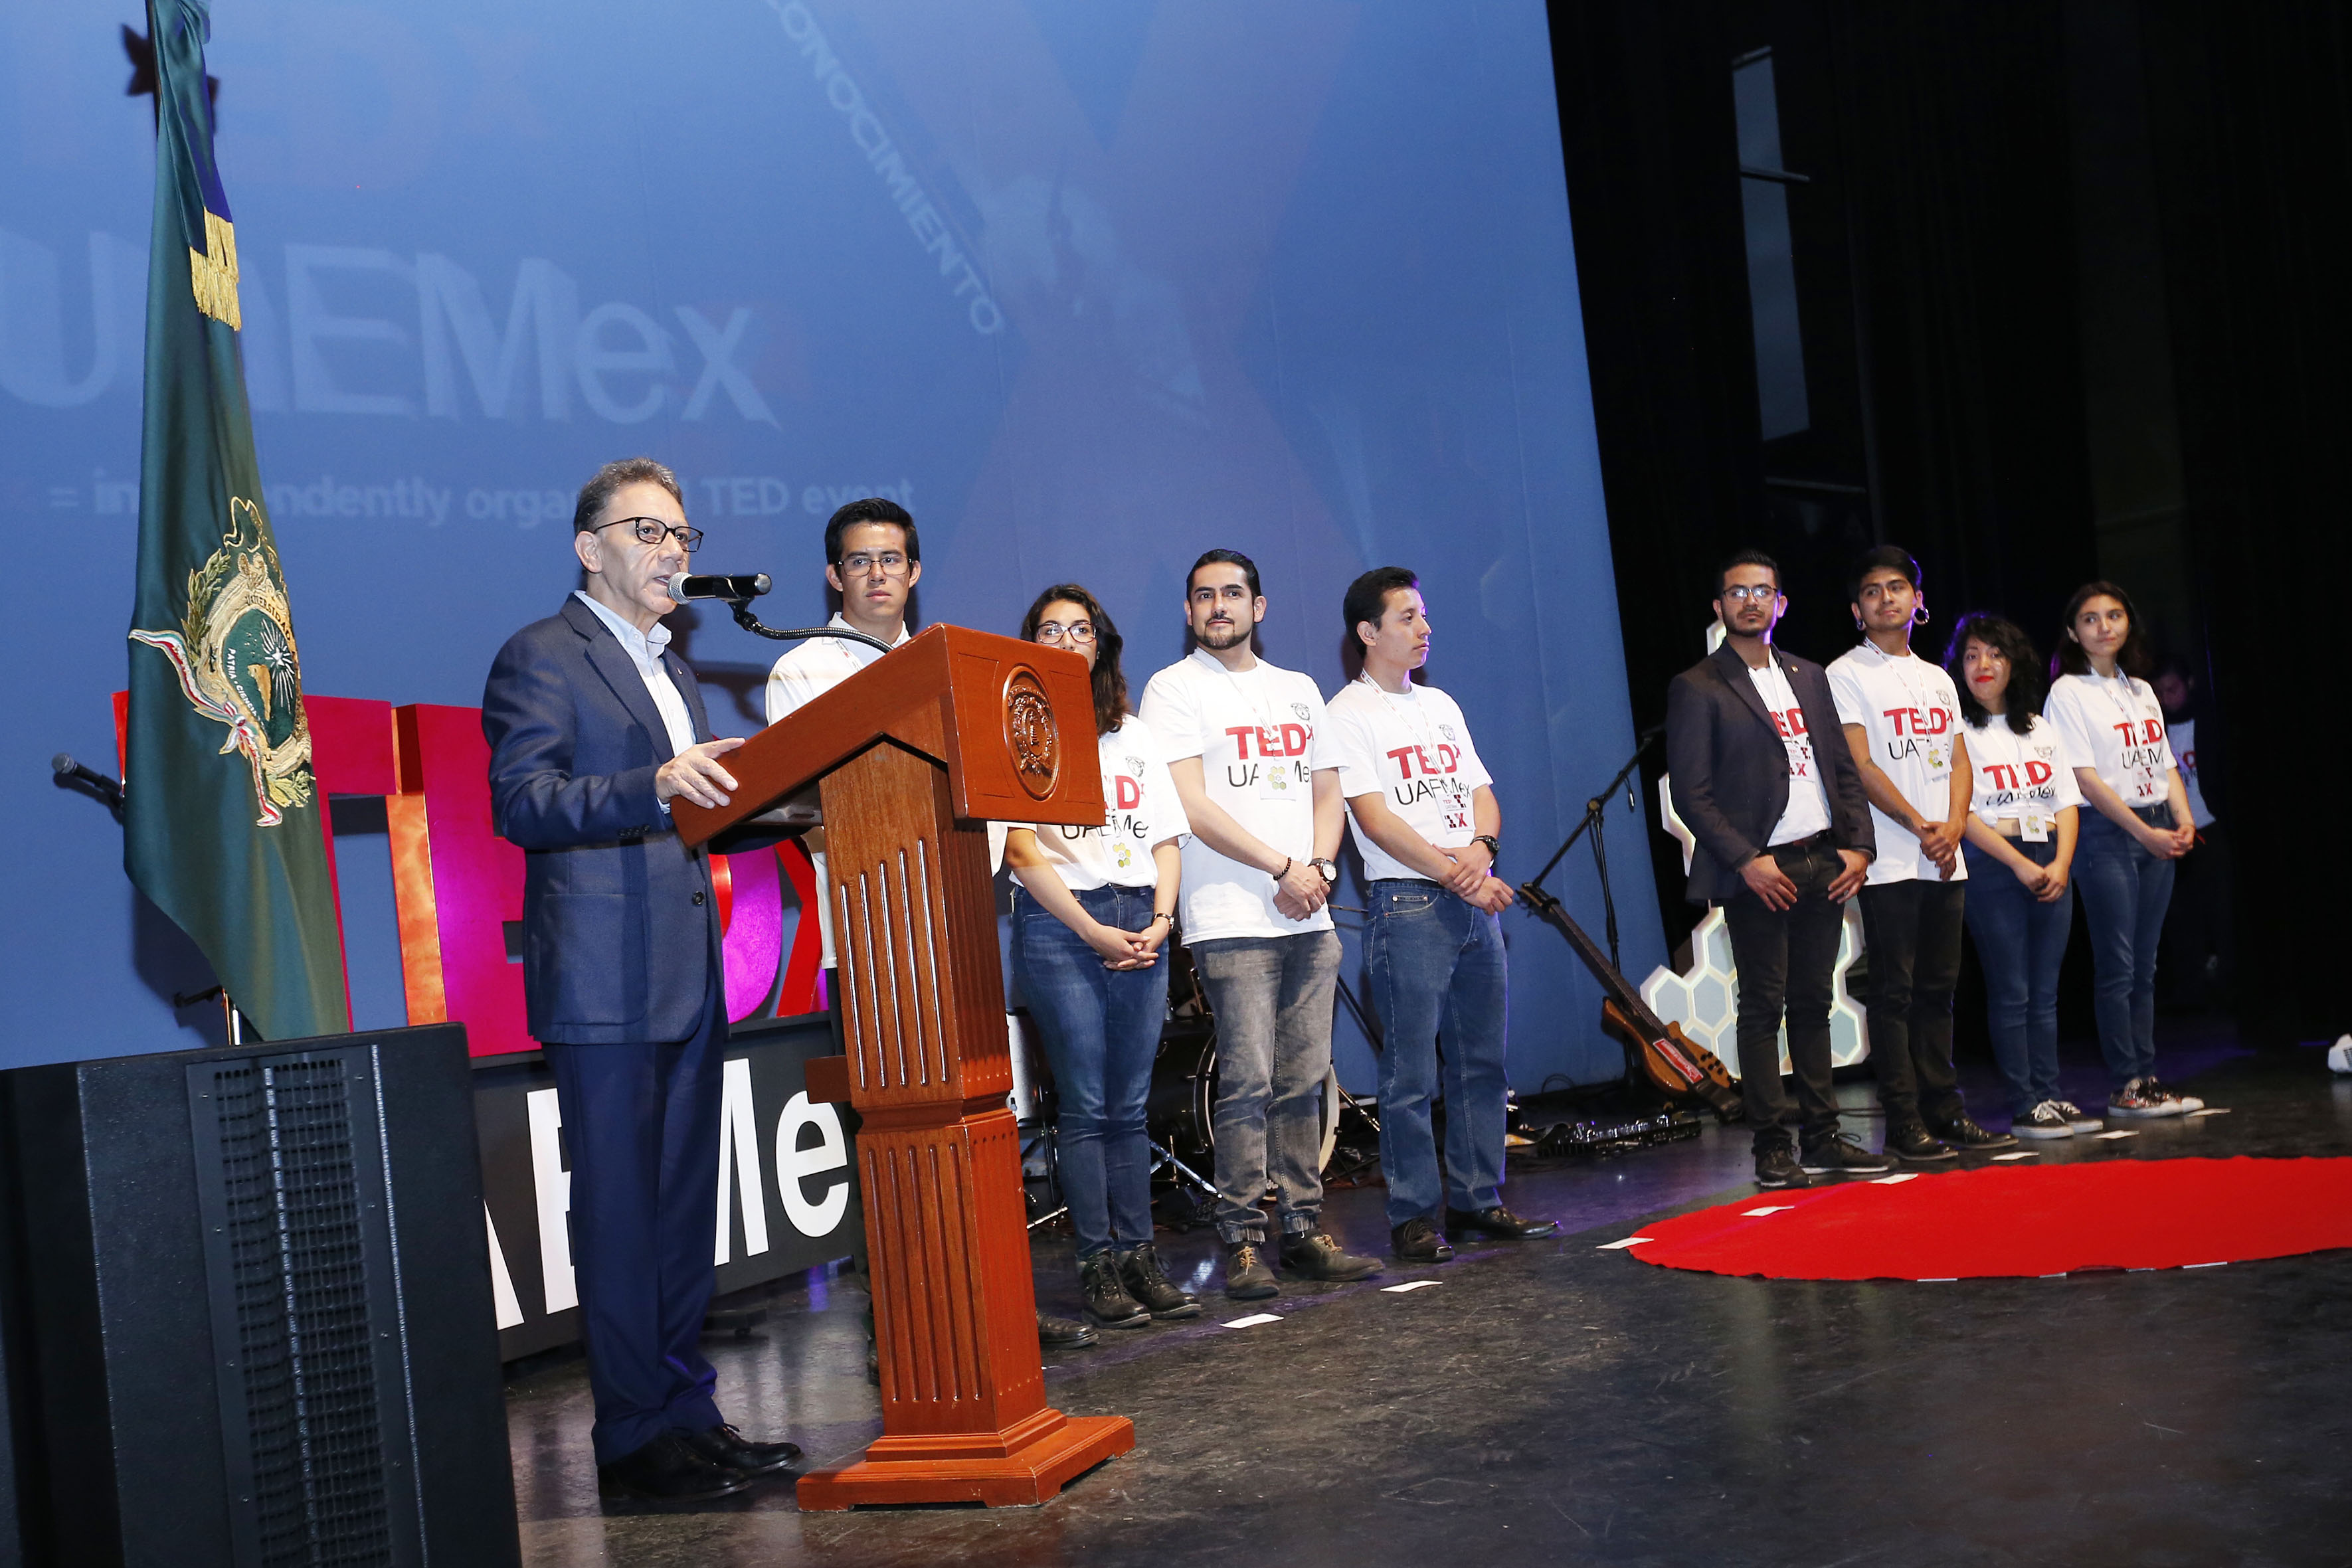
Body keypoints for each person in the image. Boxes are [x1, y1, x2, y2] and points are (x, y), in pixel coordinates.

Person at [483, 458, 800, 1502]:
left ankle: (686, 1415)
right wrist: (653, 782)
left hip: (685, 978)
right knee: (621, 1215)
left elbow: (693, 813)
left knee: (679, 1212)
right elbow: (524, 803)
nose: (672, 552)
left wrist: (787, 802)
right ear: (590, 548)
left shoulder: (676, 671)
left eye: (682, 535)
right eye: (648, 532)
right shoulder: (542, 654)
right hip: (604, 984)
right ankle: (630, 1437)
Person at [763, 499, 1095, 1351]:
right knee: (894, 1141)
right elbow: (811, 807)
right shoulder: (803, 670)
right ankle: (908, 1329)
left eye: (891, 559)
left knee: (982, 1126)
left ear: (914, 572)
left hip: (960, 929)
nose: (877, 573)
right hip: (871, 936)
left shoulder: (958, 667)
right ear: (834, 576)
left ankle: (1001, 1311)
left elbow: (994, 794)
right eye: (859, 560)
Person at [1140, 549, 1380, 1298]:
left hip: (1309, 914)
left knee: (1304, 1081)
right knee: (1246, 1082)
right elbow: (1191, 805)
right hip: (1229, 916)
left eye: (1232, 594)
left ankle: (1303, 1230)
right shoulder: (1172, 688)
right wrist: (1283, 868)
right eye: (1203, 596)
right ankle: (1242, 1241)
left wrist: (1320, 870)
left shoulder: (1298, 689)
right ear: (1189, 611)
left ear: (1258, 606)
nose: (1218, 606)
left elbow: (1327, 792)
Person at [1324, 568, 1557, 1259]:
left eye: (1423, 615)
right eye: (1407, 617)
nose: (1424, 629)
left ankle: (1479, 1200)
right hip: (1408, 903)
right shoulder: (1346, 714)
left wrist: (1481, 852)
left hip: (1471, 901)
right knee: (1409, 1076)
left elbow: (1482, 793)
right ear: (1368, 632)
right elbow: (1374, 819)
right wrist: (1459, 874)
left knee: (1481, 1064)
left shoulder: (1441, 705)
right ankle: (1413, 1215)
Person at [1000, 584, 1202, 1329]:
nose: (1065, 641)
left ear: (1100, 644)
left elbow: (1166, 840)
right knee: (1086, 1106)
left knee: (1128, 1105)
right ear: (1030, 646)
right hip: (1062, 928)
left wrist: (1161, 921)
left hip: (1139, 920)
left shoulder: (1133, 735)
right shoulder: (1016, 735)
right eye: (1049, 630)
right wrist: (1091, 930)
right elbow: (1020, 850)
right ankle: (1097, 1264)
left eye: (1079, 629)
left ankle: (1140, 1256)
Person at [1666, 550, 1884, 1190]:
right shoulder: (1698, 685)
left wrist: (1859, 847)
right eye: (1737, 592)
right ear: (1718, 606)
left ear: (1780, 603)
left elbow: (1841, 769)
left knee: (1814, 1002)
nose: (1750, 601)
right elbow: (1691, 793)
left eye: (1762, 591)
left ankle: (1822, 1138)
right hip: (1760, 868)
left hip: (1823, 858)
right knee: (1762, 1006)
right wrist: (1745, 860)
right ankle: (1771, 1147)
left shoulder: (1808, 675)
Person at [1829, 546, 2017, 1160]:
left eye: (1896, 587)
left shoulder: (1938, 677)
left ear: (1917, 600)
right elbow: (1859, 764)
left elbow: (1959, 760)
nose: (1885, 598)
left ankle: (1945, 1108)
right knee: (1894, 994)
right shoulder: (1844, 673)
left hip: (1943, 857)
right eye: (1871, 591)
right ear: (1857, 610)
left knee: (1938, 990)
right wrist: (1919, 824)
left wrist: (1953, 826)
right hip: (1888, 859)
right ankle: (1903, 1121)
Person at [2045, 581, 2201, 1117]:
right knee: (2117, 964)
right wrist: (2142, 832)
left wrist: (2182, 819)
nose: (2103, 626)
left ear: (2128, 623)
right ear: (2073, 632)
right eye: (2089, 619)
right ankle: (2127, 1084)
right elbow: (2083, 777)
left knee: (2144, 965)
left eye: (2113, 615)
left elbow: (2163, 763)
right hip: (2105, 833)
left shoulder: (2141, 690)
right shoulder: (2067, 692)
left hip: (2155, 822)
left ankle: (2147, 1076)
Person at [1945, 613, 2094, 1140]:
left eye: (1994, 654)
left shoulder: (2039, 726)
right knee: (2011, 989)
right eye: (1970, 656)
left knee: (2044, 991)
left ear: (2014, 663)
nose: (1982, 665)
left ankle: (2049, 1093)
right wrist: (2017, 862)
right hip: (1992, 861)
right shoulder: (1957, 732)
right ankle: (2025, 1102)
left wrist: (2060, 863)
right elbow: (1961, 813)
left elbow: (2067, 802)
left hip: (2050, 855)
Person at [2153, 654, 2230, 1010]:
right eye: (2160, 692)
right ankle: (2190, 993)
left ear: (2190, 684)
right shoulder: (2157, 732)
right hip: (2176, 834)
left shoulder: (2208, 723)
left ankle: (2229, 986)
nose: (2166, 698)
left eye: (2172, 689)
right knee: (2182, 916)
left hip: (2211, 826)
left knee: (2222, 910)